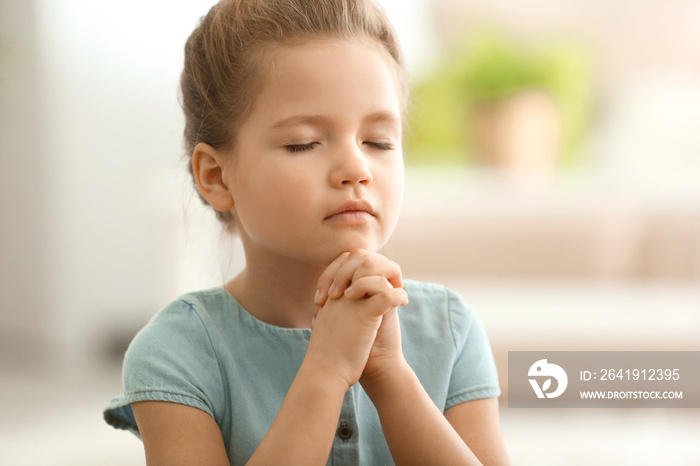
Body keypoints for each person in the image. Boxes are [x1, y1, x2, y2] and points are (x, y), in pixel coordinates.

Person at [103, 0, 510, 464]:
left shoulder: (450, 330)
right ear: (216, 177)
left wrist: (391, 373)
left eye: (378, 141)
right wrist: (327, 369)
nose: (356, 168)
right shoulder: (178, 353)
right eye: (304, 143)